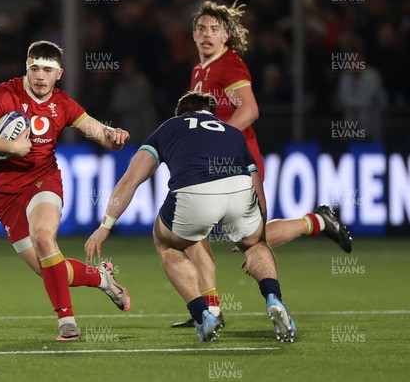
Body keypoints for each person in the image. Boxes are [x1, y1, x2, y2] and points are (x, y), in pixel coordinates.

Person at [171, 0, 353, 329]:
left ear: (226, 35)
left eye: (215, 29)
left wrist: (216, 136)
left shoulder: (230, 65)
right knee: (204, 234)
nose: (207, 34)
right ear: (193, 35)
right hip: (213, 163)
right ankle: (212, 307)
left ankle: (315, 224)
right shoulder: (199, 70)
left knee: (245, 241)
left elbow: (250, 110)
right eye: (201, 28)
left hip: (239, 160)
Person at [85, 91, 297, 342]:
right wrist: (255, 236)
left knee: (168, 245)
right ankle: (274, 298)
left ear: (181, 113)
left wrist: (106, 225)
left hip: (195, 193)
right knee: (255, 245)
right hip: (239, 189)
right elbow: (257, 184)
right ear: (211, 115)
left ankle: (203, 315)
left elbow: (132, 179)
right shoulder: (231, 132)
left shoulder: (169, 128)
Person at [0, 41, 131, 341]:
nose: (40, 76)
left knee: (42, 237)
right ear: (26, 67)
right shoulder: (5, 94)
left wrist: (113, 137)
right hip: (5, 193)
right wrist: (10, 146)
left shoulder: (62, 104)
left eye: (47, 70)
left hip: (44, 179)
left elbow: (98, 132)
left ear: (59, 73)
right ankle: (101, 278)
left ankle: (67, 322)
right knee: (51, 271)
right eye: (35, 68)